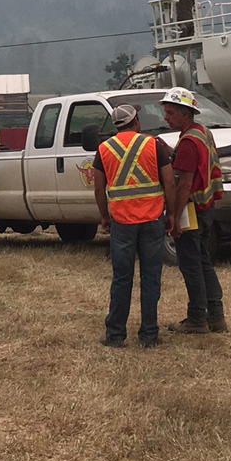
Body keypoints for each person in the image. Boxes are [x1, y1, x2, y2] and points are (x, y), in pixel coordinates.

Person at [93, 105, 175, 348]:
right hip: (152, 220)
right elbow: (169, 182)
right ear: (136, 121)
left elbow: (99, 189)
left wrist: (104, 216)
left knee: (122, 278)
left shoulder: (104, 149)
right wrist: (171, 212)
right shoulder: (153, 145)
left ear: (117, 125)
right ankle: (149, 335)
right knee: (151, 278)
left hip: (122, 222)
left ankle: (115, 335)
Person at [161, 87, 227, 335]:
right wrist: (172, 154)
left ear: (185, 114)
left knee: (191, 265)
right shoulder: (202, 133)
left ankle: (197, 319)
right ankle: (216, 317)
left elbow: (185, 183)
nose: (166, 117)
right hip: (207, 208)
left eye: (170, 113)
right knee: (203, 262)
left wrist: (174, 219)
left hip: (192, 211)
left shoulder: (189, 142)